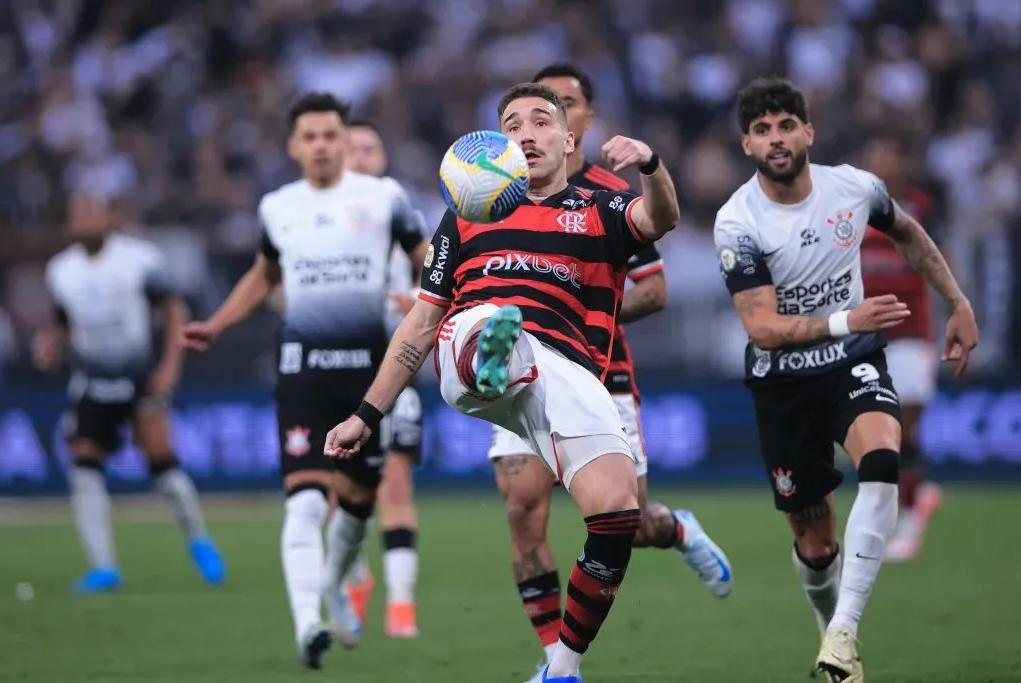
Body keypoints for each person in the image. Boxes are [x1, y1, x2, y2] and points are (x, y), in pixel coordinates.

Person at [325, 82, 679, 683]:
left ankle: (561, 669)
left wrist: (651, 164)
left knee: (617, 514)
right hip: (470, 346)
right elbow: (420, 321)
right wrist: (367, 412)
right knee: (486, 323)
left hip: (566, 373)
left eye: (541, 121)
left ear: (569, 141)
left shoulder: (600, 208)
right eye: (512, 124)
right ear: (498, 144)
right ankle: (495, 352)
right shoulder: (464, 216)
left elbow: (660, 217)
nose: (526, 133)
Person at [714, 77, 978, 682]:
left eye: (786, 126)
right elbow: (761, 328)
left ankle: (843, 635)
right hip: (782, 384)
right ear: (747, 145)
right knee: (815, 542)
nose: (776, 139)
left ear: (808, 131)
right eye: (762, 131)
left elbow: (909, 234)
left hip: (850, 362)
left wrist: (957, 301)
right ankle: (830, 630)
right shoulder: (737, 222)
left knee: (883, 456)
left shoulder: (855, 189)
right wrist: (846, 317)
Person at [482, 64, 731, 682]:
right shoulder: (495, 195)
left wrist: (577, 309)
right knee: (521, 508)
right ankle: (556, 663)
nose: (536, 128)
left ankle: (673, 529)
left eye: (558, 108)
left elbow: (655, 289)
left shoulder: (609, 196)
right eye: (526, 117)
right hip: (518, 375)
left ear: (581, 122)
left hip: (599, 371)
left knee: (625, 520)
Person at [180, 93, 429, 669]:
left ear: (345, 142)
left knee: (359, 504)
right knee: (306, 500)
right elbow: (263, 275)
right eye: (309, 137)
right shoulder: (278, 208)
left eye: (330, 135)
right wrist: (217, 324)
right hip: (302, 370)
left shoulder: (383, 198)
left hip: (371, 376)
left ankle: (337, 585)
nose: (320, 145)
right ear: (294, 146)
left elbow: (431, 256)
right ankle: (307, 624)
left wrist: (427, 295)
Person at [34, 194, 225, 594]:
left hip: (138, 376)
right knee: (84, 464)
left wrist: (171, 365)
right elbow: (64, 321)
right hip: (90, 379)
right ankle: (104, 566)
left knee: (162, 465)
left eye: (92, 211)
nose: (85, 219)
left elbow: (174, 309)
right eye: (78, 213)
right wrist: (53, 344)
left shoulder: (139, 259)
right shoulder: (61, 270)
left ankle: (199, 541)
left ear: (109, 218)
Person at [341, 119, 425, 638]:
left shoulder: (393, 199)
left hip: (394, 365)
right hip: (336, 364)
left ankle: (401, 605)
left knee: (394, 485)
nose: (362, 156)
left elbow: (435, 267)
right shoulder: (315, 211)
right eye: (353, 148)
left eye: (371, 147)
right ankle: (356, 583)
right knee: (342, 494)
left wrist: (420, 299)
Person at [859, 136, 948, 562]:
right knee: (874, 436)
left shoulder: (919, 207)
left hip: (911, 334)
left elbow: (940, 260)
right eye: (876, 155)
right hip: (864, 338)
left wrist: (956, 311)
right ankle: (912, 500)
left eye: (889, 154)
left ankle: (909, 518)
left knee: (903, 431)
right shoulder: (850, 210)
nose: (882, 162)